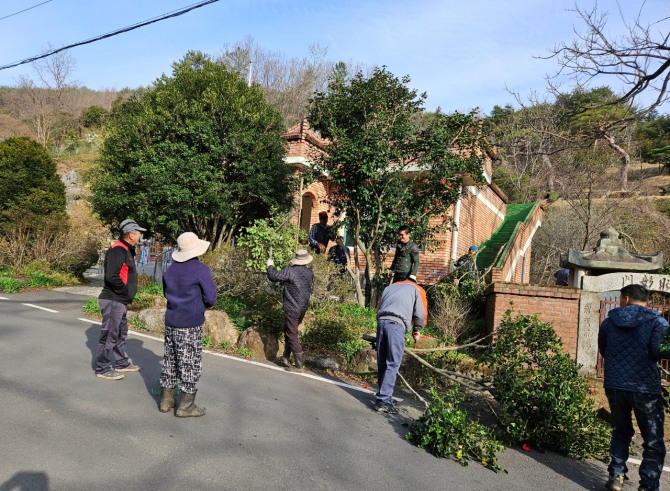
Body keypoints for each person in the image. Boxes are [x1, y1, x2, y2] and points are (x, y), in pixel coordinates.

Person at [598, 284, 669, 491]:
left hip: (615, 386)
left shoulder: (609, 323)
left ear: (626, 299)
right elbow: (661, 351)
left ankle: (617, 476)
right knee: (653, 439)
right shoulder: (658, 322)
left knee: (621, 430)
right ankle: (647, 485)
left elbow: (604, 349)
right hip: (645, 387)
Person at [159, 232, 217, 417]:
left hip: (172, 320)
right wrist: (203, 305)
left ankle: (166, 399)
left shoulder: (170, 270)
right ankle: (186, 406)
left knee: (170, 359)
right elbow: (211, 297)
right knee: (190, 362)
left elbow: (165, 292)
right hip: (190, 322)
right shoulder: (201, 270)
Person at [95, 219, 146, 380]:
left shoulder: (127, 249)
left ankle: (121, 362)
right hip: (113, 300)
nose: (141, 235)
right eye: (139, 232)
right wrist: (124, 291)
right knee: (110, 334)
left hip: (120, 301)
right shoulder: (118, 250)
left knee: (121, 333)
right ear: (131, 234)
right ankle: (102, 368)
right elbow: (111, 276)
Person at [374, 278, 428, 413]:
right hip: (396, 326)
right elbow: (420, 313)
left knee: (382, 361)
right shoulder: (416, 289)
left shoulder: (389, 287)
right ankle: (384, 401)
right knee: (392, 363)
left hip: (381, 323)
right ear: (414, 281)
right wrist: (417, 329)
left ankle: (382, 397)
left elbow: (379, 306)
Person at [267, 249, 314, 372]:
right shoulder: (309, 273)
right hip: (302, 307)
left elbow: (273, 276)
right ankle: (285, 357)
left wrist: (270, 265)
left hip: (292, 307)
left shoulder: (290, 271)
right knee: (289, 330)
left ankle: (299, 365)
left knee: (291, 334)